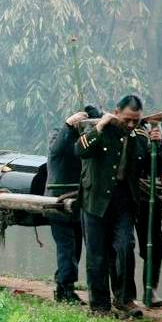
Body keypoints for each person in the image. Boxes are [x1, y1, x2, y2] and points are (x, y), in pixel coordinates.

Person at [75, 95, 162, 317]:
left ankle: (125, 299)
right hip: (96, 200)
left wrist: (156, 144)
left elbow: (151, 167)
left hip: (124, 201)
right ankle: (99, 305)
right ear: (116, 111)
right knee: (97, 254)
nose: (130, 124)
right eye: (127, 119)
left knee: (125, 247)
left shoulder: (139, 136)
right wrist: (99, 126)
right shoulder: (101, 129)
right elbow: (80, 151)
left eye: (135, 121)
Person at [46, 106, 101, 304]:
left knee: (75, 247)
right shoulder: (59, 134)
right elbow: (56, 150)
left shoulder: (90, 141)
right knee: (67, 247)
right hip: (59, 202)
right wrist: (69, 126)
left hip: (80, 204)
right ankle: (64, 289)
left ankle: (66, 286)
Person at [132, 113, 162, 308]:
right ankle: (123, 294)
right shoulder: (137, 131)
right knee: (122, 244)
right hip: (132, 194)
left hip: (151, 197)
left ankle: (150, 291)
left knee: (155, 246)